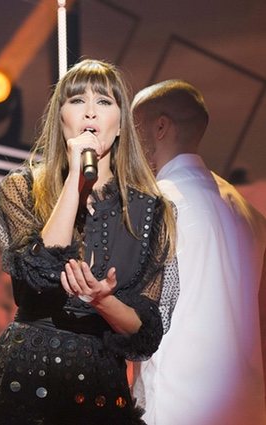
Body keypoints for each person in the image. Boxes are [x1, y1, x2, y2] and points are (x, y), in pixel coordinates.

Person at [0, 59, 178, 425]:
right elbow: (36, 277)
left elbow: (144, 331)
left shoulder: (152, 212)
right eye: (77, 101)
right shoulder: (22, 189)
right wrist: (74, 179)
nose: (90, 112)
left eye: (104, 102)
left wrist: (103, 301)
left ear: (121, 124)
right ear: (61, 119)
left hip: (99, 390)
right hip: (23, 382)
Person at [131, 79, 266, 424]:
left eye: (134, 130)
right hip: (245, 405)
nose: (127, 145)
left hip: (176, 404)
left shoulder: (154, 206)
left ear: (160, 127)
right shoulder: (247, 211)